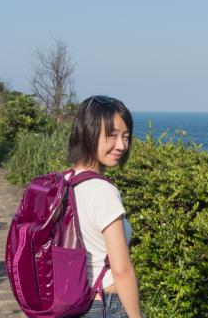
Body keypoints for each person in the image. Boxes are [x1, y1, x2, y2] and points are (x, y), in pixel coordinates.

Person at [66, 95, 143, 318]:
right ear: (89, 134)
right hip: (106, 306)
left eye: (126, 137)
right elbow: (121, 269)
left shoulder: (68, 180)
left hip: (77, 302)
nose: (122, 145)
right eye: (112, 136)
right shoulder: (103, 192)